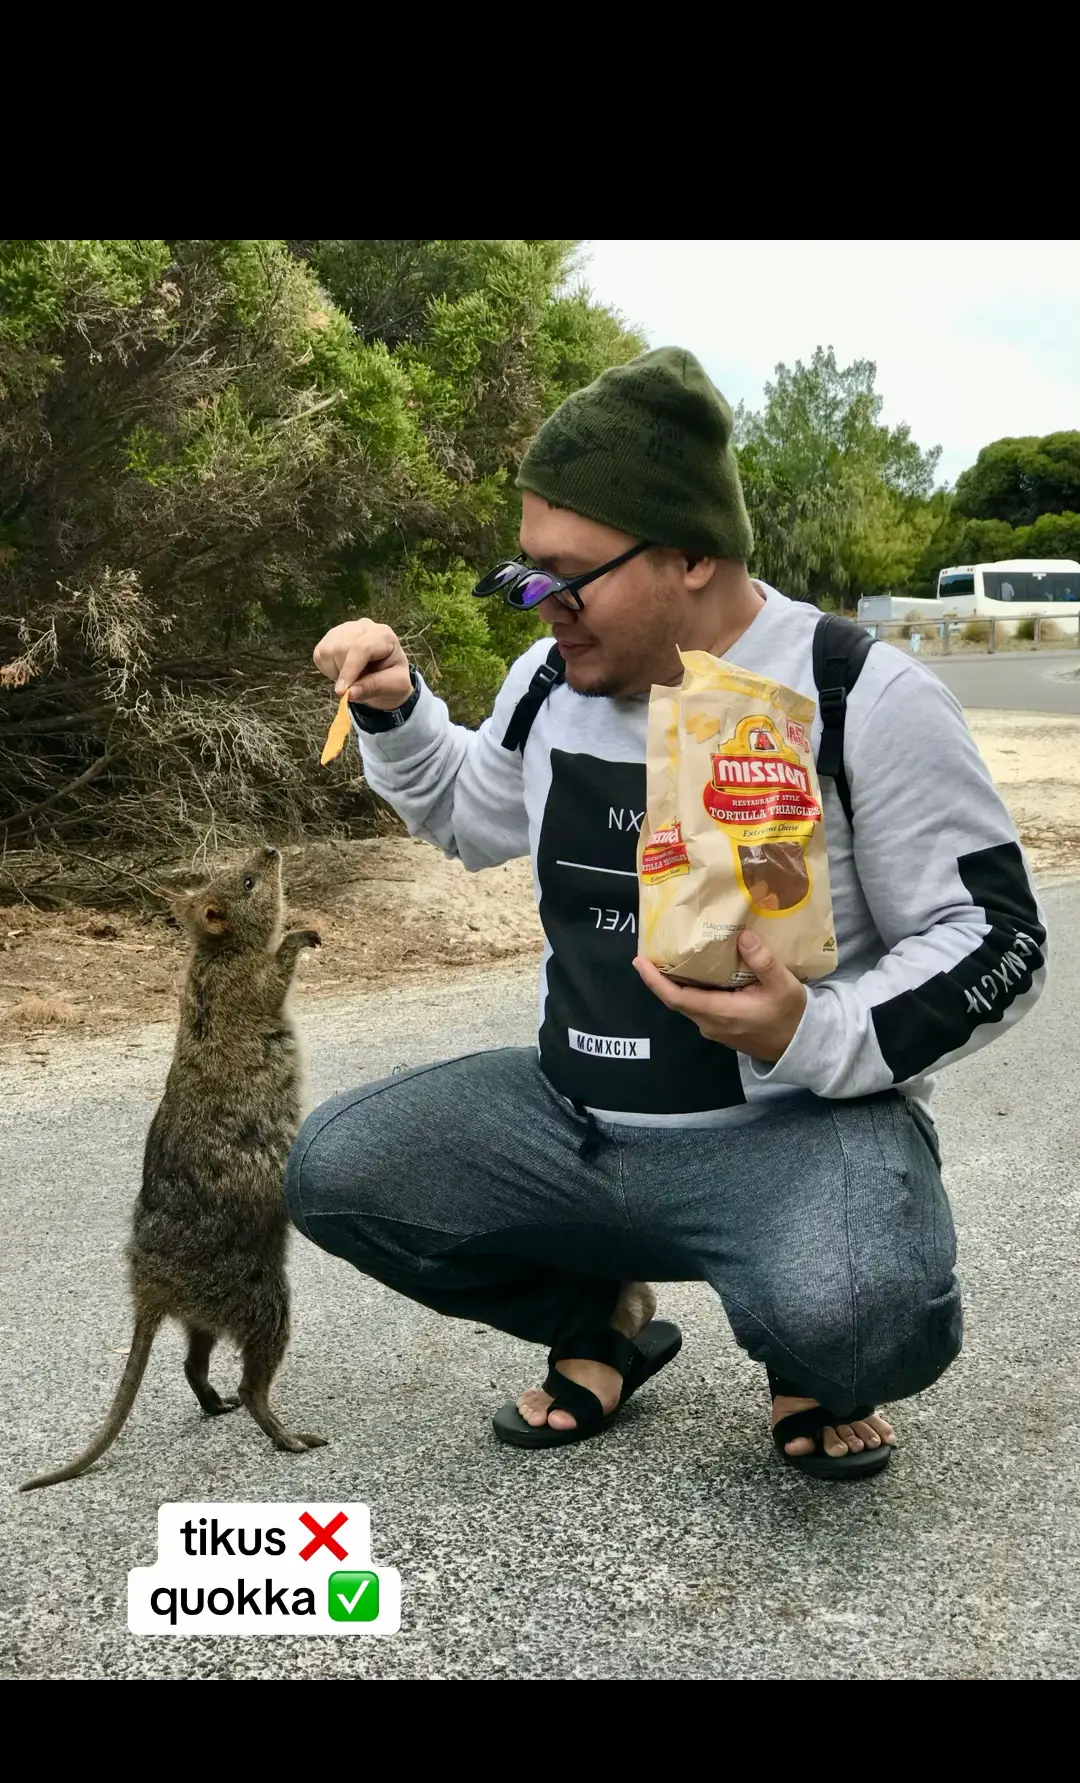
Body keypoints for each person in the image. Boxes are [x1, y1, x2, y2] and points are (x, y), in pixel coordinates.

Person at [286, 347, 1048, 1481]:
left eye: (567, 576)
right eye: (526, 575)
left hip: (795, 1136)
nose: (542, 606)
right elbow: (475, 819)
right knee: (335, 1173)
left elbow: (1000, 939)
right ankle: (605, 1315)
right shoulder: (552, 679)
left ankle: (809, 1346)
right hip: (575, 1124)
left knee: (859, 1314)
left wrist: (811, 1034)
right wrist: (399, 712)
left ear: (692, 553)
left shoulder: (857, 693)